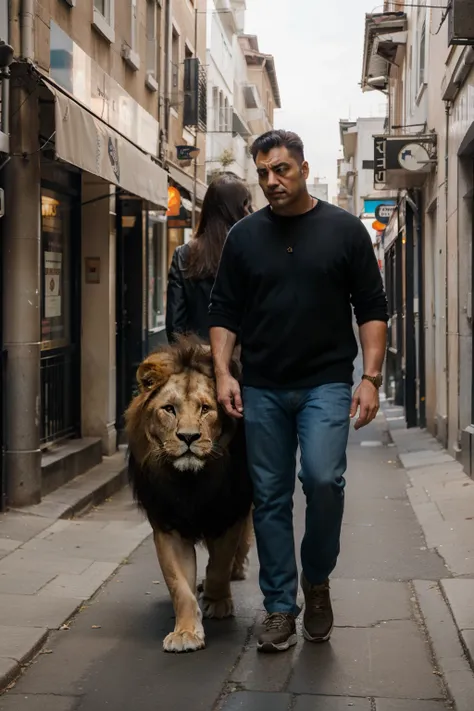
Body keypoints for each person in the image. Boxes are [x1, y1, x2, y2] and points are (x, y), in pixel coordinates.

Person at [208, 130, 388, 653]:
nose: (271, 181)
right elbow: (223, 312)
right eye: (263, 172)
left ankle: (317, 579)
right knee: (269, 498)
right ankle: (280, 607)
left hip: (326, 384)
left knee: (324, 479)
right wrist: (223, 373)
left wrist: (370, 379)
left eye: (281, 170)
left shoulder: (345, 230)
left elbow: (372, 308)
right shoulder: (243, 237)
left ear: (305, 170)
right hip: (262, 386)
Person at [166, 173, 252, 343]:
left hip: (197, 364)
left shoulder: (183, 255)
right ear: (240, 209)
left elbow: (175, 328)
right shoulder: (251, 252)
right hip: (243, 363)